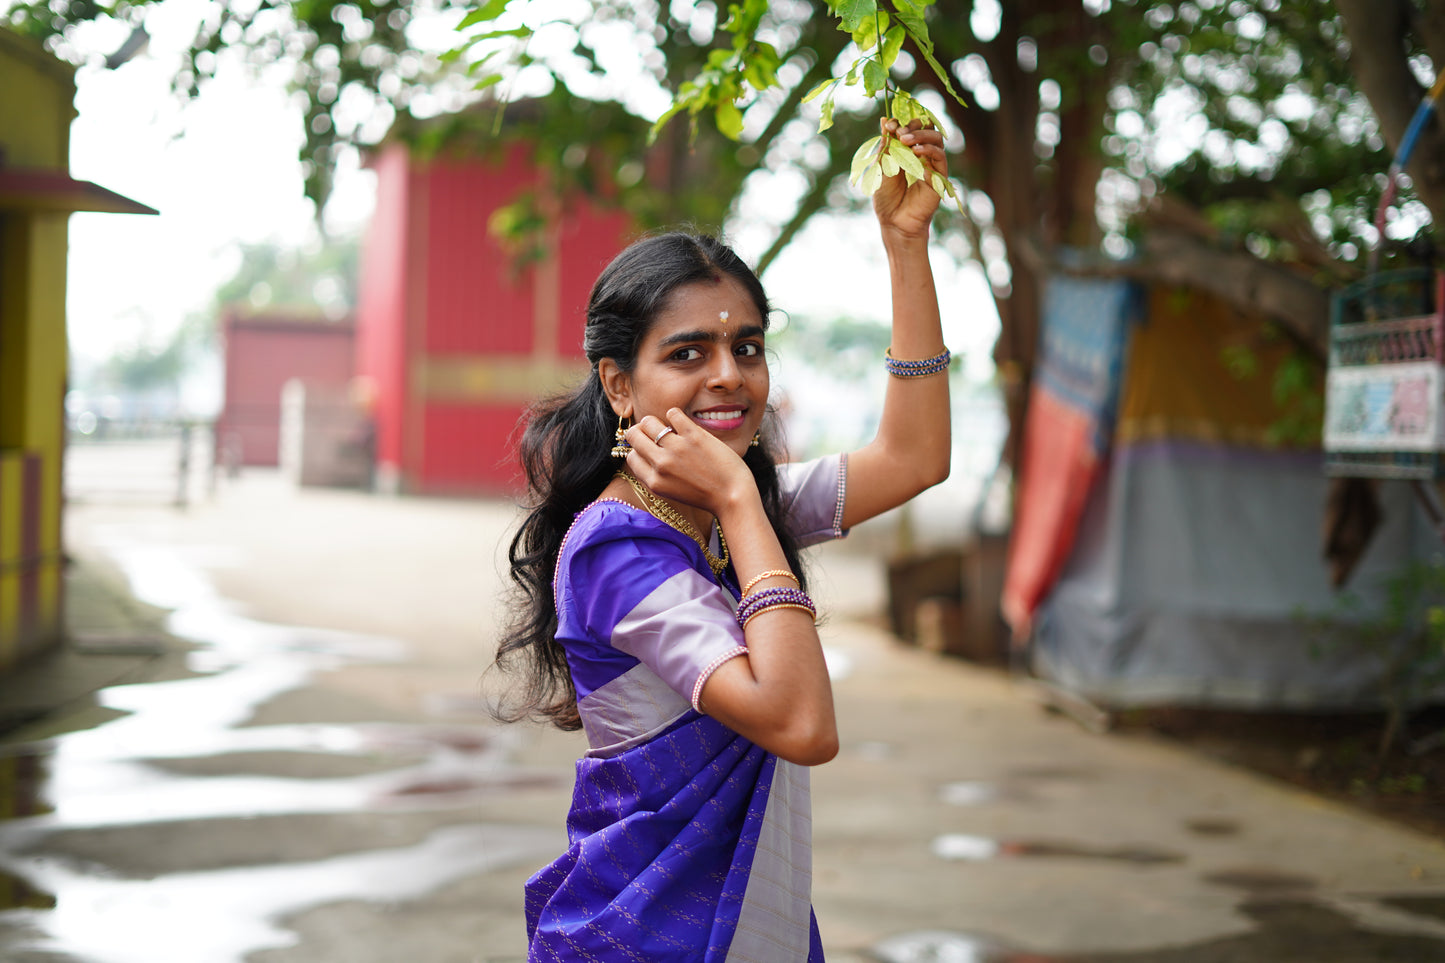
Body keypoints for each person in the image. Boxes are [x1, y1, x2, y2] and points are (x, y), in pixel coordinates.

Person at [494, 117, 953, 962]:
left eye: (746, 346)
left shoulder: (734, 503)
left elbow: (915, 456)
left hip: (744, 918)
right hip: (646, 926)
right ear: (619, 384)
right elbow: (800, 722)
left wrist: (904, 246)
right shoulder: (614, 547)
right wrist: (741, 501)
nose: (728, 376)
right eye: (688, 352)